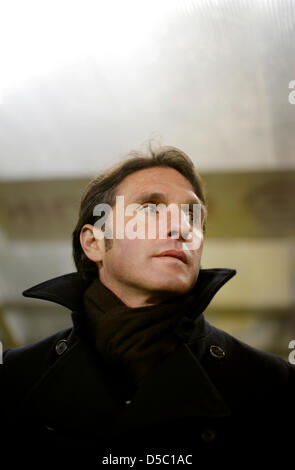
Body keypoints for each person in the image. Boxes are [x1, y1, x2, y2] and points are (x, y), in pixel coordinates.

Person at [0, 145, 294, 467]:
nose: (181, 228)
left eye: (191, 216)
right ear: (95, 242)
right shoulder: (14, 379)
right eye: (151, 209)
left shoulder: (272, 386)